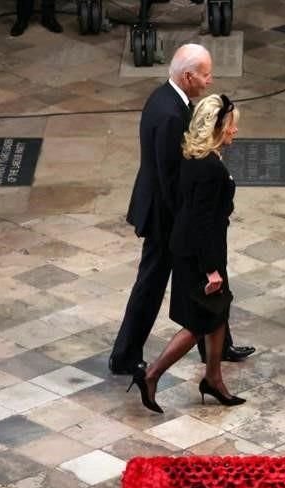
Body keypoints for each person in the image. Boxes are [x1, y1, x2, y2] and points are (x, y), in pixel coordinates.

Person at [109, 44, 253, 377]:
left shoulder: (166, 99)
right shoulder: (171, 114)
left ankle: (217, 346)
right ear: (188, 76)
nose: (209, 80)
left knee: (206, 281)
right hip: (165, 217)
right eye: (205, 75)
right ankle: (125, 356)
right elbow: (170, 177)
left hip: (168, 213)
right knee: (155, 285)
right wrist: (190, 225)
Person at [129, 94, 245, 413]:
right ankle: (151, 375)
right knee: (198, 323)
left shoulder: (195, 157)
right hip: (200, 256)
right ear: (217, 128)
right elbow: (202, 222)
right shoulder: (210, 170)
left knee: (218, 312)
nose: (235, 131)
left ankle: (214, 378)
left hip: (192, 248)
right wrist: (211, 269)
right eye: (231, 125)